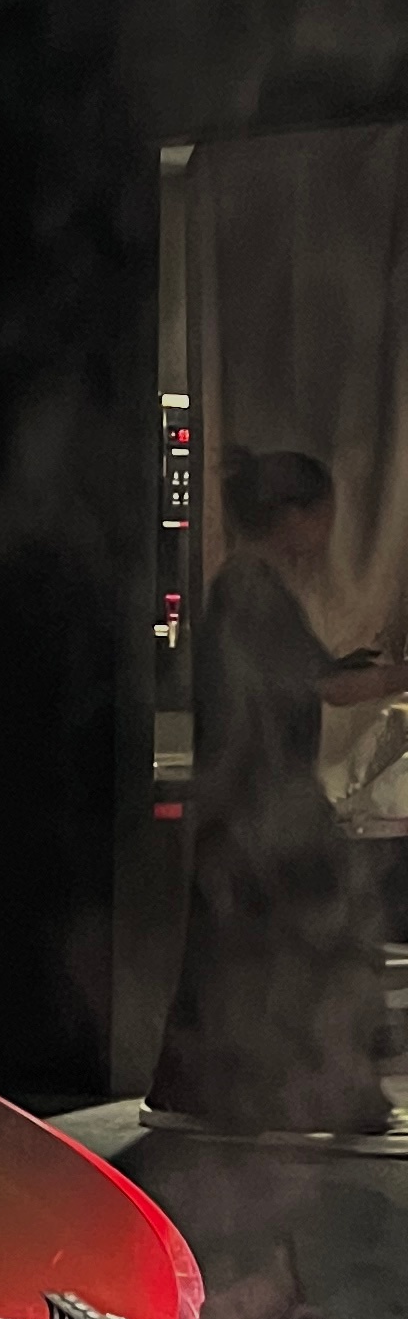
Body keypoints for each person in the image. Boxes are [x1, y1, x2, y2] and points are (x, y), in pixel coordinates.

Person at [151, 452, 408, 1137]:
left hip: (247, 803)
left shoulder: (245, 585)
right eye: (322, 516)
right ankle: (331, 1091)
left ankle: (229, 1088)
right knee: (326, 938)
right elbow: (326, 686)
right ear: (293, 516)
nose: (325, 533)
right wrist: (396, 677)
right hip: (261, 802)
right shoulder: (252, 588)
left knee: (245, 952)